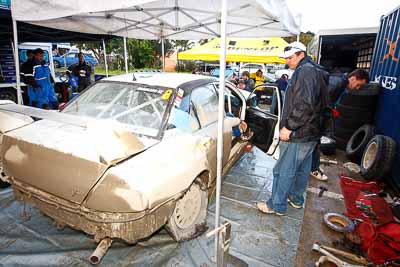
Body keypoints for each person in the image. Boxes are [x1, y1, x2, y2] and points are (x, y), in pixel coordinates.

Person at [255, 41, 327, 215]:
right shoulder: (316, 69)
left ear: (301, 54)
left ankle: (276, 205)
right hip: (311, 132)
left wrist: (289, 127)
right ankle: (296, 199)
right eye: (286, 58)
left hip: (299, 132)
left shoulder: (305, 71)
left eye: (290, 58)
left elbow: (304, 104)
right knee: (302, 169)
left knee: (283, 170)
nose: (287, 61)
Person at [310, 69, 369, 181]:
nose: (357, 88)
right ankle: (313, 168)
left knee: (313, 145)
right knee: (313, 145)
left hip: (317, 118)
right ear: (353, 78)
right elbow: (318, 101)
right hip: (314, 120)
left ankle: (311, 167)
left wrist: (331, 110)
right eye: (358, 85)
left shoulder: (340, 82)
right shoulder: (337, 83)